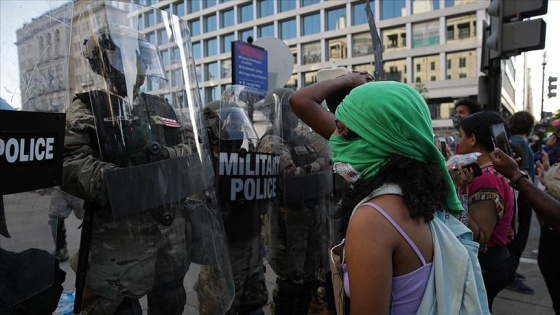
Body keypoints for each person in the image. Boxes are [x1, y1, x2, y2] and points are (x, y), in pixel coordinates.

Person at [290, 77, 489, 314]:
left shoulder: (373, 221)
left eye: (343, 132)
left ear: (382, 139)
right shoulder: (418, 195)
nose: (334, 140)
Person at [62, 25, 195, 314]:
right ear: (103, 63)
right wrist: (124, 181)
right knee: (118, 308)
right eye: (126, 57)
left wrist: (158, 160)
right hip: (118, 241)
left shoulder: (163, 107)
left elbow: (192, 150)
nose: (137, 65)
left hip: (168, 237)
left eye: (140, 57)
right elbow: (72, 163)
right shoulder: (88, 107)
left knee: (171, 301)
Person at [257, 88, 331, 315]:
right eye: (290, 110)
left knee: (309, 278)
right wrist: (319, 165)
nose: (295, 115)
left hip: (311, 215)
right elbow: (290, 176)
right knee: (291, 282)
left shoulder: (300, 138)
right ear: (276, 112)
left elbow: (326, 156)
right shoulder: (271, 141)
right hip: (288, 222)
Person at [196, 100, 269, 315]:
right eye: (228, 126)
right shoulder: (205, 168)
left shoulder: (248, 162)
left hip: (251, 246)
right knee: (222, 308)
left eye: (237, 125)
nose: (235, 131)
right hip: (224, 254)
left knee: (253, 305)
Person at [456, 111, 515, 310]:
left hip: (487, 264)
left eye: (461, 136)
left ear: (472, 139)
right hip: (495, 260)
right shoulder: (497, 170)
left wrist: (457, 196)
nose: (458, 141)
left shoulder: (486, 178)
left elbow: (479, 238)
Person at [506, 111, 536, 294]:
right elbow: (522, 172)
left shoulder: (513, 141)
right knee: (518, 237)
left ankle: (512, 272)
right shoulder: (520, 143)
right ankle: (511, 274)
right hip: (522, 196)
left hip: (519, 195)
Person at [36, 186, 84, 262]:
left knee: (90, 217)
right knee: (55, 217)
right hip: (60, 189)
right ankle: (61, 250)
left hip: (79, 189)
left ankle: (94, 249)